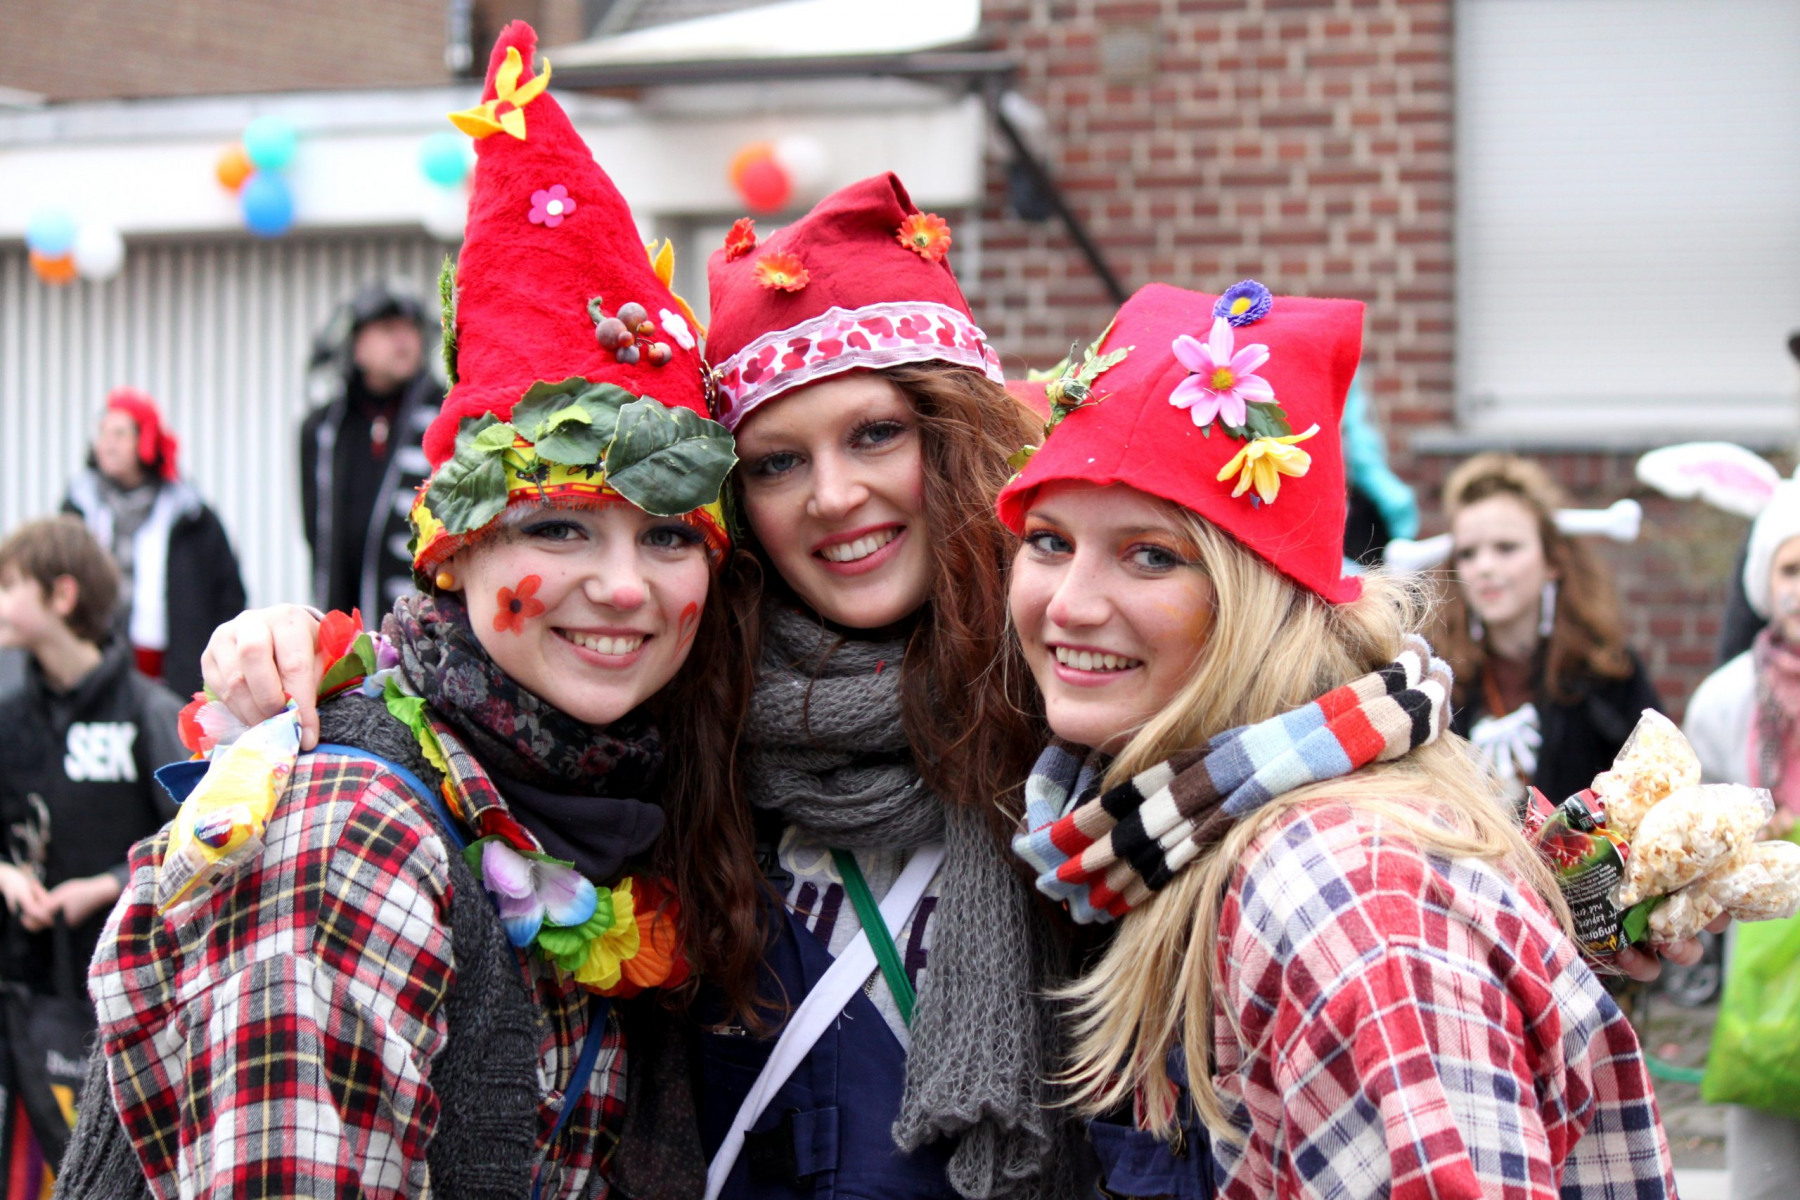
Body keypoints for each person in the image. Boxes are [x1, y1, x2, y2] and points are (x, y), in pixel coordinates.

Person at [194, 173, 1075, 1199]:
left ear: (958, 437)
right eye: (775, 462)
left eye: (876, 433)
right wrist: (301, 660)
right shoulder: (689, 722)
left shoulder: (1082, 710)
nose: (835, 496)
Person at [54, 25, 760, 1197]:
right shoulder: (351, 828)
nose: (627, 586)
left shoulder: (617, 795)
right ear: (453, 554)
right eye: (558, 528)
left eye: (670, 535)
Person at [1001, 281, 1678, 1197]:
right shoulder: (1152, 828)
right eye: (1048, 540)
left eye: (1152, 554)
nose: (1070, 604)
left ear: (1265, 600)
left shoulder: (1348, 895)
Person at [0, 517, 183, 1186]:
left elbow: (197, 835)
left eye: (8, 585)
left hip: (121, 1000)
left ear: (62, 595)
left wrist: (106, 884)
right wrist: (6, 875)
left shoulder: (147, 712)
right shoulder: (9, 711)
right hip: (23, 994)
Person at [1684, 478, 1800, 1198]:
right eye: (1792, 568)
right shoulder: (1727, 698)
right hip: (1763, 959)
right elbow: (1695, 825)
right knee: (1767, 1169)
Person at [1436, 452, 1662, 806]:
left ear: (1552, 560)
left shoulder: (1608, 674)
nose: (1484, 567)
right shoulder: (1438, 677)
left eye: (1506, 547)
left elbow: (1656, 792)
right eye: (1467, 554)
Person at [61, 389, 247, 699]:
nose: (107, 443)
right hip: (93, 669)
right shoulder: (77, 510)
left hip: (171, 675)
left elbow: (228, 597)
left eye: (119, 434)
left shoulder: (190, 515)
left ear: (146, 440)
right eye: (102, 432)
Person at [301, 281, 442, 617]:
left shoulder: (446, 418)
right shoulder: (322, 429)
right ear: (356, 346)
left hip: (424, 623)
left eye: (411, 329)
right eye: (388, 329)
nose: (404, 340)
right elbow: (314, 533)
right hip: (341, 615)